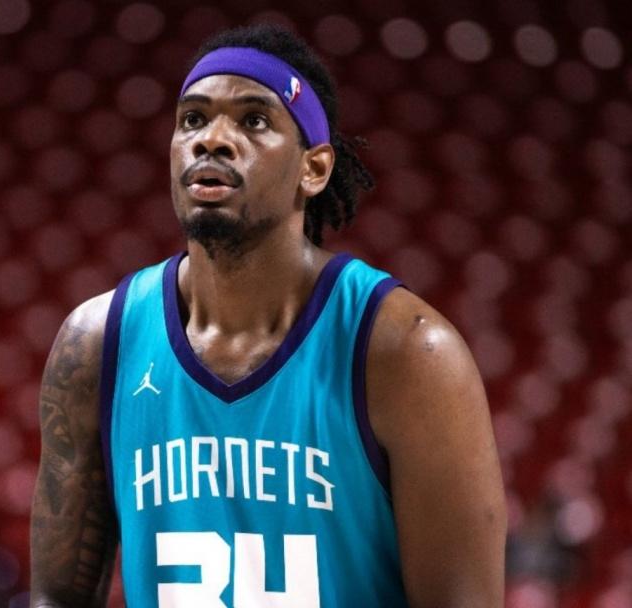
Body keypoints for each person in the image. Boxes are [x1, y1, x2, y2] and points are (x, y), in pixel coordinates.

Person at [30, 24, 506, 608]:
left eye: (254, 120)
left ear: (315, 168)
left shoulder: (408, 353)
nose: (212, 140)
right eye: (192, 119)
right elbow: (56, 598)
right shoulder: (97, 343)